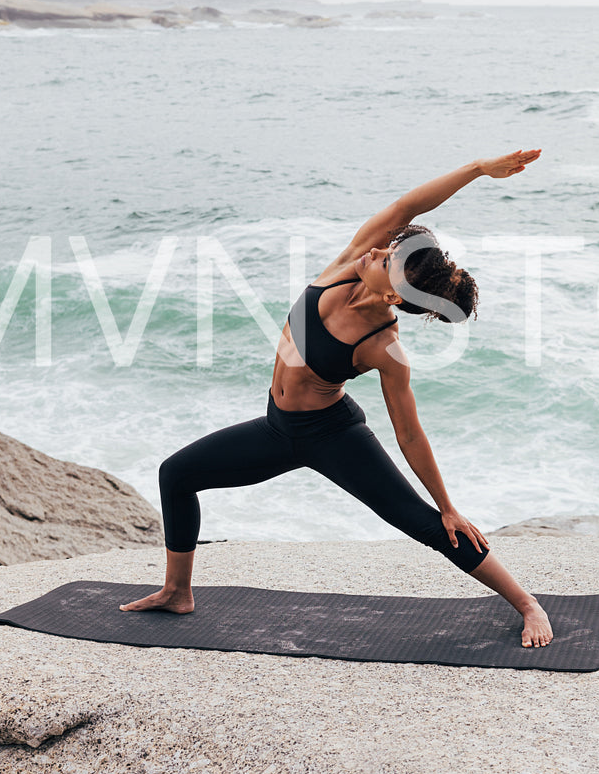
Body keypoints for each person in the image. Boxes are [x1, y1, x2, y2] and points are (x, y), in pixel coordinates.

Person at [121, 149, 553, 648]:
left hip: (331, 436)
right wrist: (477, 170)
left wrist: (448, 506)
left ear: (394, 297)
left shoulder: (385, 349)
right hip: (276, 429)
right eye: (389, 249)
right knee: (176, 474)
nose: (380, 250)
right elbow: (407, 207)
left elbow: (409, 433)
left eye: (389, 259)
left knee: (425, 524)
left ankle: (526, 603)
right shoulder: (352, 264)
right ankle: (177, 592)